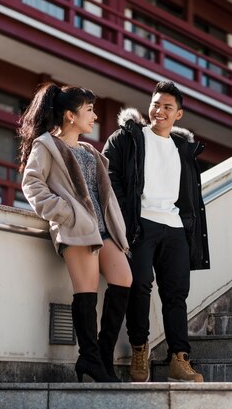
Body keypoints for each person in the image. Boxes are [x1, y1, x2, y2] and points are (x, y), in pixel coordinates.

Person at [19, 83, 132, 383]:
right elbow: (32, 186)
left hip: (104, 229)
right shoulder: (46, 145)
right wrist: (65, 213)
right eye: (89, 110)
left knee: (124, 279)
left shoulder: (90, 151)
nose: (94, 116)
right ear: (70, 116)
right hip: (77, 230)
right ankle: (90, 358)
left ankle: (101, 356)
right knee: (87, 291)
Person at [103, 80, 210, 382]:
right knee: (138, 284)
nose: (159, 111)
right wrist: (127, 217)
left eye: (167, 107)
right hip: (140, 223)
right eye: (156, 104)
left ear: (179, 114)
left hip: (174, 228)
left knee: (176, 294)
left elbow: (190, 198)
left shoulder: (183, 149)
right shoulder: (129, 138)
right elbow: (111, 178)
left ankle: (179, 357)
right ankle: (140, 347)